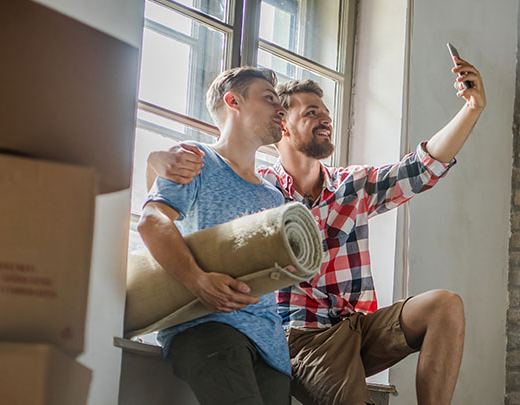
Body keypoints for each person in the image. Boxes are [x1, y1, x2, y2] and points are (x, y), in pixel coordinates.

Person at [146, 57, 486, 405]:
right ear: (283, 126)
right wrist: (157, 158)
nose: (325, 118)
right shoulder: (262, 189)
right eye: (310, 112)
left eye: (325, 112)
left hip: (354, 328)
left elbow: (422, 168)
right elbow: (176, 209)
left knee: (444, 305)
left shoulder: (351, 186)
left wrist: (472, 108)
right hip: (302, 335)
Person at [137, 66, 291, 405]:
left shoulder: (274, 196)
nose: (281, 109)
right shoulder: (195, 159)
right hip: (207, 327)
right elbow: (151, 220)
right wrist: (196, 280)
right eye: (269, 99)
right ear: (233, 101)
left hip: (271, 348)